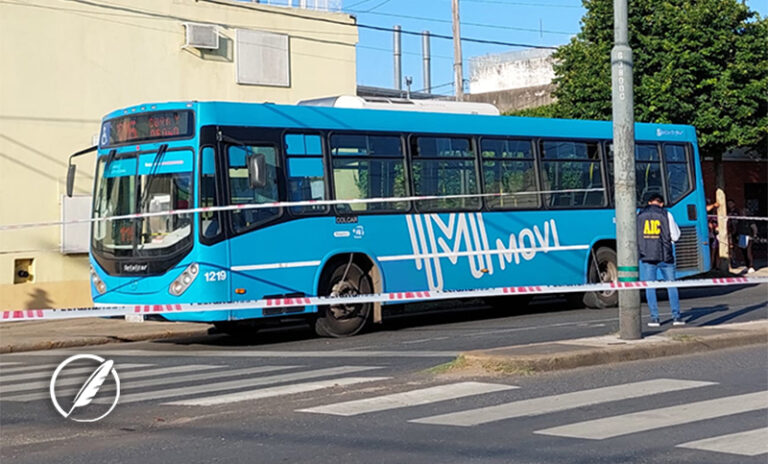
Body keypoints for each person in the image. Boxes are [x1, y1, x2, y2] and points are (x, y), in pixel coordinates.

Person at [637, 194, 683, 327]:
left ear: (649, 202)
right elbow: (675, 236)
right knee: (671, 286)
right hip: (665, 256)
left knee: (650, 287)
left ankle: (654, 318)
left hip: (647, 256)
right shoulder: (666, 214)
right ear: (661, 203)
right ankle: (676, 317)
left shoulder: (639, 215)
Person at [736, 208, 758, 273]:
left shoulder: (750, 220)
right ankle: (747, 265)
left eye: (744, 212)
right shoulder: (739, 220)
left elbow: (754, 228)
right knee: (743, 252)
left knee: (748, 252)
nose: (742, 213)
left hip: (749, 237)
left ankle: (751, 266)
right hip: (741, 236)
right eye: (741, 212)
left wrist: (754, 235)